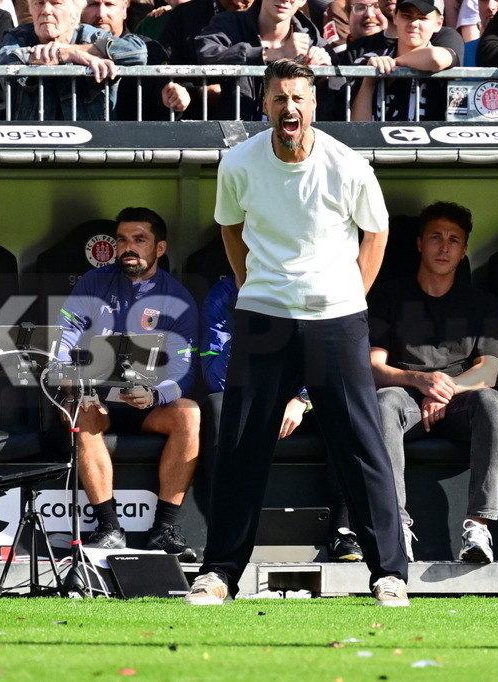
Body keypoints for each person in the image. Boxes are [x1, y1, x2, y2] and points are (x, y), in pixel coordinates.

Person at [185, 59, 409, 607]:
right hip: (263, 316)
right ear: (264, 105)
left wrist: (348, 297)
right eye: (280, 98)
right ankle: (219, 574)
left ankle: (390, 574)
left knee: (361, 444)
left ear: (314, 105)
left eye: (300, 99)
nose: (290, 108)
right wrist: (252, 286)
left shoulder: (348, 165)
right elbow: (231, 229)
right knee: (241, 446)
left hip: (336, 319)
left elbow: (375, 234)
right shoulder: (238, 163)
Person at [55, 207, 201, 561]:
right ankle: (109, 528)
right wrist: (68, 379)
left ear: (160, 249)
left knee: (190, 413)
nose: (128, 247)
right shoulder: (94, 282)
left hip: (148, 404)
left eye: (139, 239)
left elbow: (185, 369)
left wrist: (155, 394)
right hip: (98, 399)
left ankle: (163, 530)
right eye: (122, 240)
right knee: (80, 409)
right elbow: (66, 335)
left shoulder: (177, 296)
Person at [369, 201, 498, 563]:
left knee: (494, 403)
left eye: (454, 240)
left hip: (459, 403)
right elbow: (373, 365)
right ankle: (396, 526)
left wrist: (445, 389)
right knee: (383, 402)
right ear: (419, 244)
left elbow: (489, 371)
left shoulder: (482, 302)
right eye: (436, 238)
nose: (444, 247)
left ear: (464, 252)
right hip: (405, 398)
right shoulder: (388, 295)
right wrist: (420, 381)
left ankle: (478, 528)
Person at [201, 275, 365, 562]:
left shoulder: (311, 285)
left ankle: (343, 530)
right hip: (254, 395)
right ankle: (228, 534)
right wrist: (250, 325)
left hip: (305, 397)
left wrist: (302, 399)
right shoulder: (224, 293)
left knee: (339, 411)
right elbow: (216, 378)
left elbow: (330, 359)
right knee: (218, 406)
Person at [0, 0, 156, 120]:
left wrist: (71, 50)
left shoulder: (90, 35)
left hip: (91, 147)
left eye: (55, 3)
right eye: (39, 3)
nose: (46, 10)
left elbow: (137, 51)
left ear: (74, 14)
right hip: (34, 148)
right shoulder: (19, 36)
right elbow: (4, 59)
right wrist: (62, 54)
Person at [195, 0, 332, 121]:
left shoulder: (311, 38)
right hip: (238, 136)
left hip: (290, 136)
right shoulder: (230, 23)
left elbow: (339, 91)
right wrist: (270, 54)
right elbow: (206, 53)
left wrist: (322, 73)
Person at [350, 0, 461, 122]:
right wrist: (368, 81)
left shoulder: (443, 51)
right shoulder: (369, 60)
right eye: (407, 16)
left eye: (422, 18)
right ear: (395, 17)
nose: (413, 23)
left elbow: (436, 58)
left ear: (438, 23)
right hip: (377, 140)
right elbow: (359, 127)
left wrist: (394, 63)